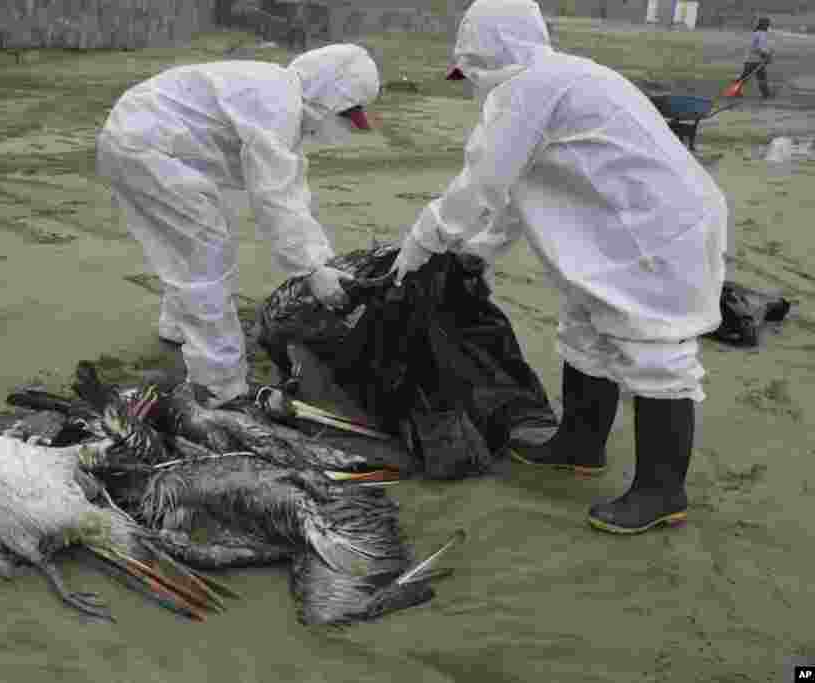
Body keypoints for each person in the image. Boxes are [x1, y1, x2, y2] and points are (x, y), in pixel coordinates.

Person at [390, 0, 727, 534]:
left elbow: (481, 185)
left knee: (655, 348)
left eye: (470, 67)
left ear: (483, 53)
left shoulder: (528, 89)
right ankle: (580, 444)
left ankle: (662, 491)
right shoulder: (553, 79)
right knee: (585, 328)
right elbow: (519, 188)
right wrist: (478, 250)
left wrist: (419, 247)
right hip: (618, 223)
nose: (470, 79)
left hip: (658, 227)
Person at [97, 44, 380, 408]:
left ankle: (179, 325)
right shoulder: (276, 106)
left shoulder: (279, 93)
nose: (343, 125)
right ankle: (221, 386)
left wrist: (322, 261)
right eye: (346, 114)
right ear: (328, 96)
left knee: (195, 237)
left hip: (143, 138)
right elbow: (275, 199)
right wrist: (313, 269)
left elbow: (290, 183)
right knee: (205, 255)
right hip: (148, 148)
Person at [738, 17, 773, 99]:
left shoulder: (755, 33)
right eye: (768, 24)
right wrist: (767, 56)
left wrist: (767, 54)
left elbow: (756, 47)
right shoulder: (761, 34)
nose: (768, 26)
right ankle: (766, 94)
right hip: (755, 60)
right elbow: (760, 48)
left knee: (744, 78)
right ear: (765, 25)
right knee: (761, 78)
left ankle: (766, 94)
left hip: (750, 60)